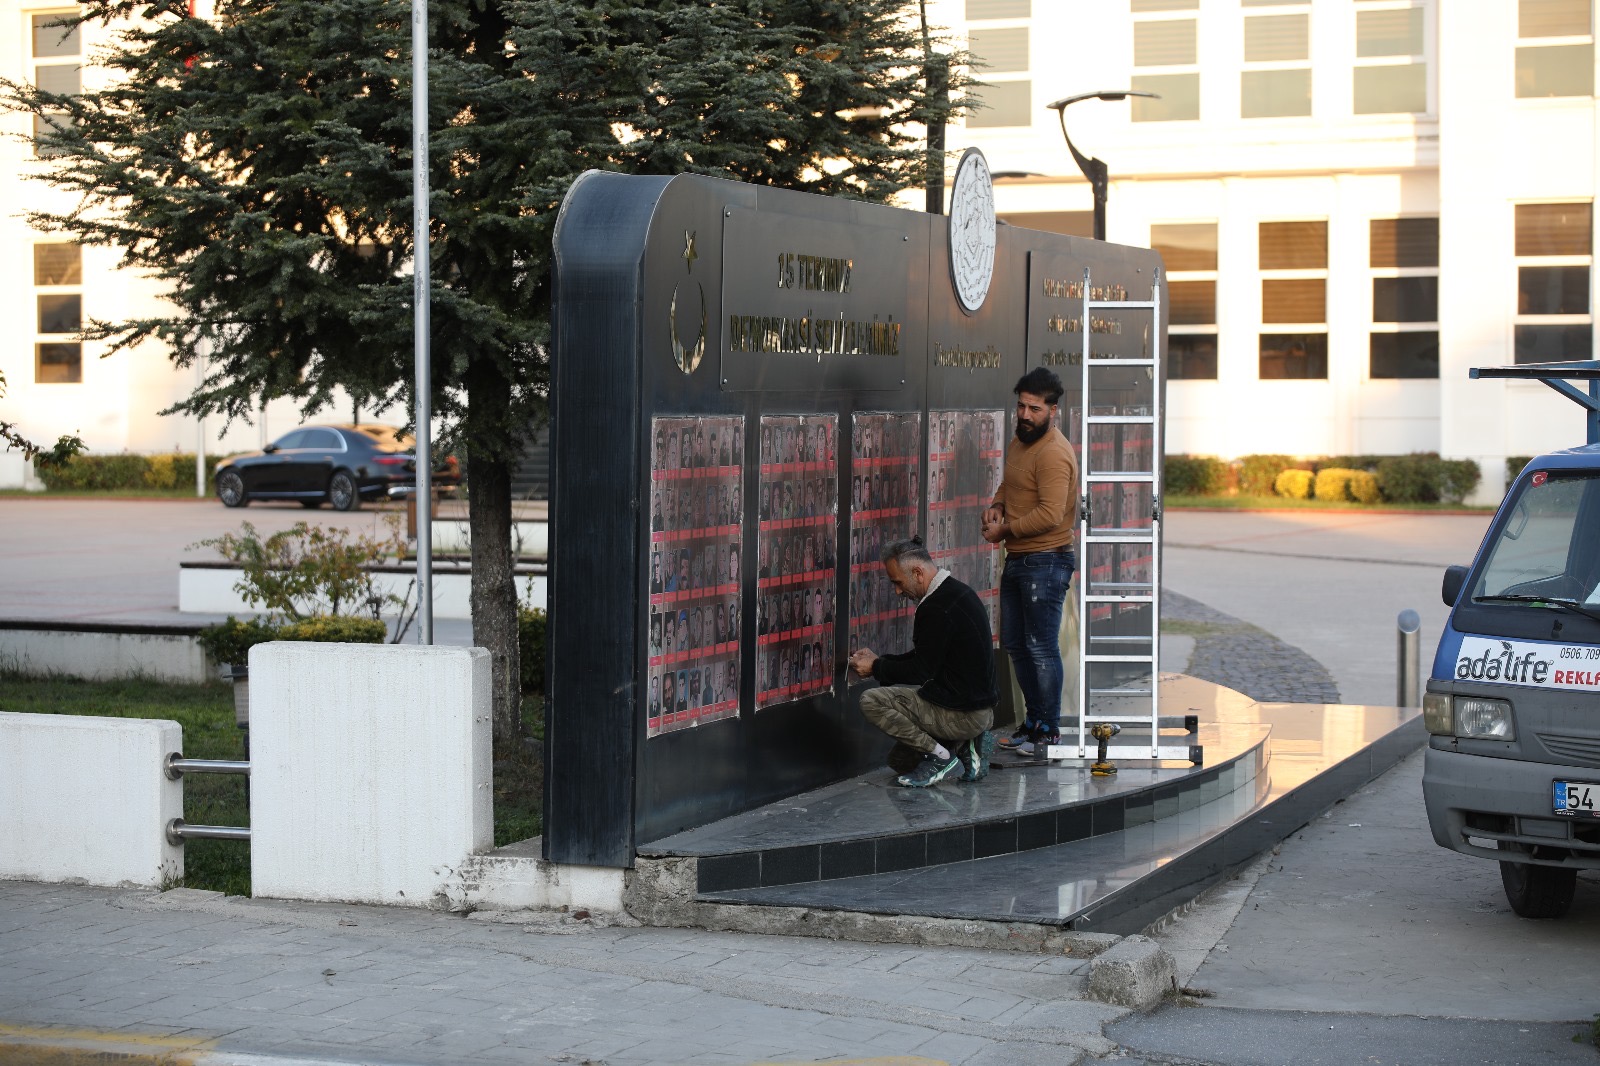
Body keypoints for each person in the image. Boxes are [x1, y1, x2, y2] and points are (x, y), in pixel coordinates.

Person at [847, 537, 998, 788]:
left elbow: (921, 670)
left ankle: (940, 757)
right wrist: (880, 662)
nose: (897, 591)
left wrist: (875, 667)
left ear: (917, 572)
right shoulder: (955, 592)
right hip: (974, 708)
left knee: (871, 700)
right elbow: (926, 658)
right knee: (901, 761)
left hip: (964, 712)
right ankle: (967, 743)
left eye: (898, 582)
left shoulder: (937, 607)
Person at [982, 367, 1079, 755]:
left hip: (1046, 562)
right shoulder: (1021, 441)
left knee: (1040, 647)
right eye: (1021, 405)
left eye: (1034, 409)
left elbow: (1051, 514)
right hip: (1020, 558)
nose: (1024, 414)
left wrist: (1005, 531)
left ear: (1052, 410)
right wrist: (997, 505)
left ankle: (1048, 728)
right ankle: (1034, 721)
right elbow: (1010, 482)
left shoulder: (1054, 453)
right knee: (1017, 645)